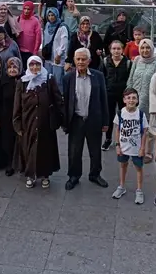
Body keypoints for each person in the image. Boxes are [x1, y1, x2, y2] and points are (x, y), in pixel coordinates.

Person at [62, 48, 109, 190]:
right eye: (78, 59)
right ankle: (74, 176)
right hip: (76, 120)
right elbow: (65, 102)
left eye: (84, 59)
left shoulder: (98, 76)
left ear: (89, 61)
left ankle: (95, 174)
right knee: (74, 151)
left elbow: (103, 99)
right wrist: (65, 122)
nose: (81, 62)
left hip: (93, 119)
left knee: (95, 150)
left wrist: (106, 122)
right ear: (74, 60)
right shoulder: (68, 78)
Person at [14, 55, 64, 189]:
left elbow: (58, 99)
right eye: (32, 65)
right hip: (28, 122)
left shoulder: (48, 80)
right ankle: (30, 175)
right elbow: (17, 105)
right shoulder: (23, 82)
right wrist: (17, 125)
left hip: (45, 122)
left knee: (45, 149)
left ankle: (45, 175)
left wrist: (61, 119)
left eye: (37, 65)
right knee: (29, 149)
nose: (34, 68)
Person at [112, 87, 149, 204]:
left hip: (136, 149)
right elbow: (117, 129)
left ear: (137, 100)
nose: (131, 100)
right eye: (128, 98)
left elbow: (144, 132)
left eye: (134, 98)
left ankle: (139, 190)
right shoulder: (120, 113)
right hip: (123, 147)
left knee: (138, 168)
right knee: (123, 166)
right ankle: (121, 186)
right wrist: (117, 145)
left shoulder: (141, 114)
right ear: (124, 100)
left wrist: (143, 148)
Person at [99, 40, 132, 151]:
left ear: (122, 50)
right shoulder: (105, 61)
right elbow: (101, 77)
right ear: (110, 50)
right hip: (109, 93)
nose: (116, 51)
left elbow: (129, 78)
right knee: (109, 117)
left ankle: (123, 139)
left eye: (118, 48)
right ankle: (108, 139)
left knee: (124, 117)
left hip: (123, 94)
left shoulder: (127, 63)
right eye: (114, 48)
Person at [126, 38, 156, 129]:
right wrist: (128, 95)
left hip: (149, 100)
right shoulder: (137, 59)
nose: (145, 50)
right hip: (134, 99)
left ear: (152, 48)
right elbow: (131, 77)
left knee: (146, 127)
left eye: (148, 48)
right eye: (142, 48)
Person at [0, 56, 22, 177]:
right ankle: (10, 164)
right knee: (7, 141)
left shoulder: (24, 81)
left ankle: (21, 163)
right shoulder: (3, 81)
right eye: (10, 67)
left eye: (15, 67)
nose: (12, 70)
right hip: (6, 117)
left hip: (21, 116)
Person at [41, 7, 68, 90]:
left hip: (57, 58)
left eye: (52, 15)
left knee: (58, 80)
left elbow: (64, 42)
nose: (51, 17)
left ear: (56, 15)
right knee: (47, 78)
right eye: (49, 15)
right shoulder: (47, 25)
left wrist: (59, 54)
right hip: (48, 57)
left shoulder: (62, 27)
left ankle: (59, 98)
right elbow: (44, 39)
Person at [17, 1, 42, 68]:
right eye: (25, 9)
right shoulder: (18, 19)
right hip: (19, 50)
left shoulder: (35, 21)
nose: (26, 11)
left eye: (28, 9)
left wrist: (35, 51)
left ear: (32, 10)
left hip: (30, 51)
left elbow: (38, 38)